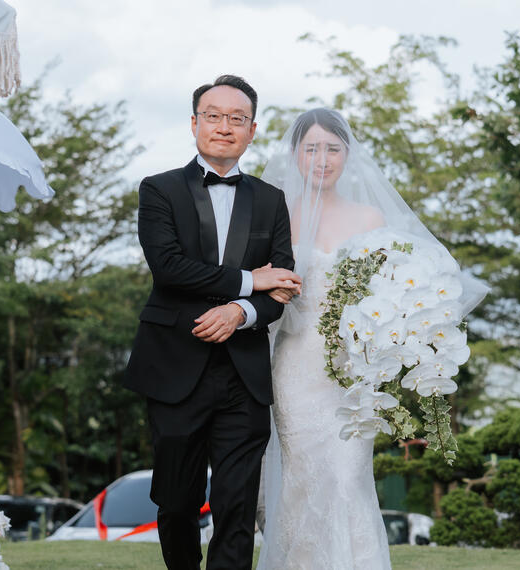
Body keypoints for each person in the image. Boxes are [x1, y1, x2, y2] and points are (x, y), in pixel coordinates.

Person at [256, 108, 487, 569]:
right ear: (295, 154)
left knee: (347, 477)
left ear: (348, 154)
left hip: (351, 371)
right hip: (294, 367)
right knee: (301, 478)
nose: (322, 159)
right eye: (311, 148)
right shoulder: (274, 214)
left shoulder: (369, 217)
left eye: (333, 149)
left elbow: (398, 284)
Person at [123, 74, 300, 570]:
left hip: (243, 376)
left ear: (252, 130)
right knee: (176, 502)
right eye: (214, 116)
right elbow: (169, 268)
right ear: (195, 123)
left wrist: (240, 311)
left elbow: (281, 287)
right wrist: (249, 282)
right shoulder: (158, 189)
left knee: (236, 505)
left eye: (237, 119)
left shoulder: (271, 200)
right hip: (174, 368)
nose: (225, 127)